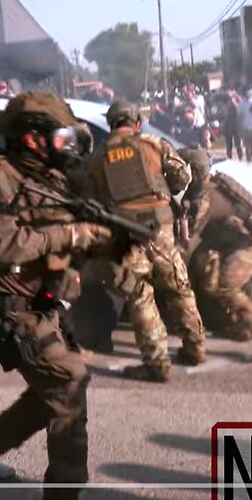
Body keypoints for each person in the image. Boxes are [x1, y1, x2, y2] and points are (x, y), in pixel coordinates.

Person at [0, 92, 110, 500]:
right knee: (68, 381)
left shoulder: (43, 178)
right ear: (32, 138)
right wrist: (71, 234)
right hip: (8, 305)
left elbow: (56, 235)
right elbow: (2, 245)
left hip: (40, 303)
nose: (66, 146)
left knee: (54, 391)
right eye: (59, 137)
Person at [84, 101, 206, 381]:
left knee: (139, 295)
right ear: (137, 122)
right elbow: (183, 176)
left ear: (113, 123)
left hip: (124, 232)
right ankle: (195, 349)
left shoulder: (98, 156)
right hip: (160, 228)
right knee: (179, 288)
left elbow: (89, 194)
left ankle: (157, 364)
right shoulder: (153, 144)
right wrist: (167, 190)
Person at [178, 148, 252, 358]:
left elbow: (189, 240)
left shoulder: (203, 197)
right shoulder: (212, 184)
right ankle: (240, 325)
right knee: (213, 278)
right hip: (241, 240)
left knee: (226, 286)